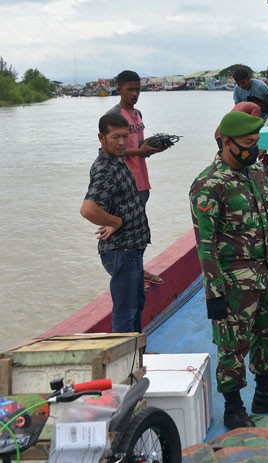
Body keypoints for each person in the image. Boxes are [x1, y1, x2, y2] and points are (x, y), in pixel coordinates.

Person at [189, 111, 268, 430]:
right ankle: (233, 407)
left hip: (265, 275)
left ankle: (265, 394)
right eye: (248, 143)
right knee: (232, 345)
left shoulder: (255, 175)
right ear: (227, 143)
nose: (254, 149)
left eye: (256, 142)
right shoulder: (208, 185)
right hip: (233, 282)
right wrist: (215, 293)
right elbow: (205, 244)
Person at [80, 113, 151, 333]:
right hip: (122, 250)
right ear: (101, 138)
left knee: (136, 303)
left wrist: (112, 219)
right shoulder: (105, 169)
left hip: (133, 247)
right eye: (115, 137)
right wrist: (116, 221)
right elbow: (88, 209)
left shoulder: (117, 161)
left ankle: (138, 355)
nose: (121, 143)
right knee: (125, 310)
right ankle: (126, 364)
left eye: (124, 137)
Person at [107, 70, 167, 287]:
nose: (134, 94)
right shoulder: (114, 116)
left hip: (142, 180)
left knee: (139, 229)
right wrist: (140, 152)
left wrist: (151, 147)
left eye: (137, 89)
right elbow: (112, 150)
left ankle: (137, 270)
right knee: (126, 231)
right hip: (126, 183)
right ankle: (131, 275)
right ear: (119, 88)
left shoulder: (138, 114)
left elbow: (137, 146)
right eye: (129, 89)